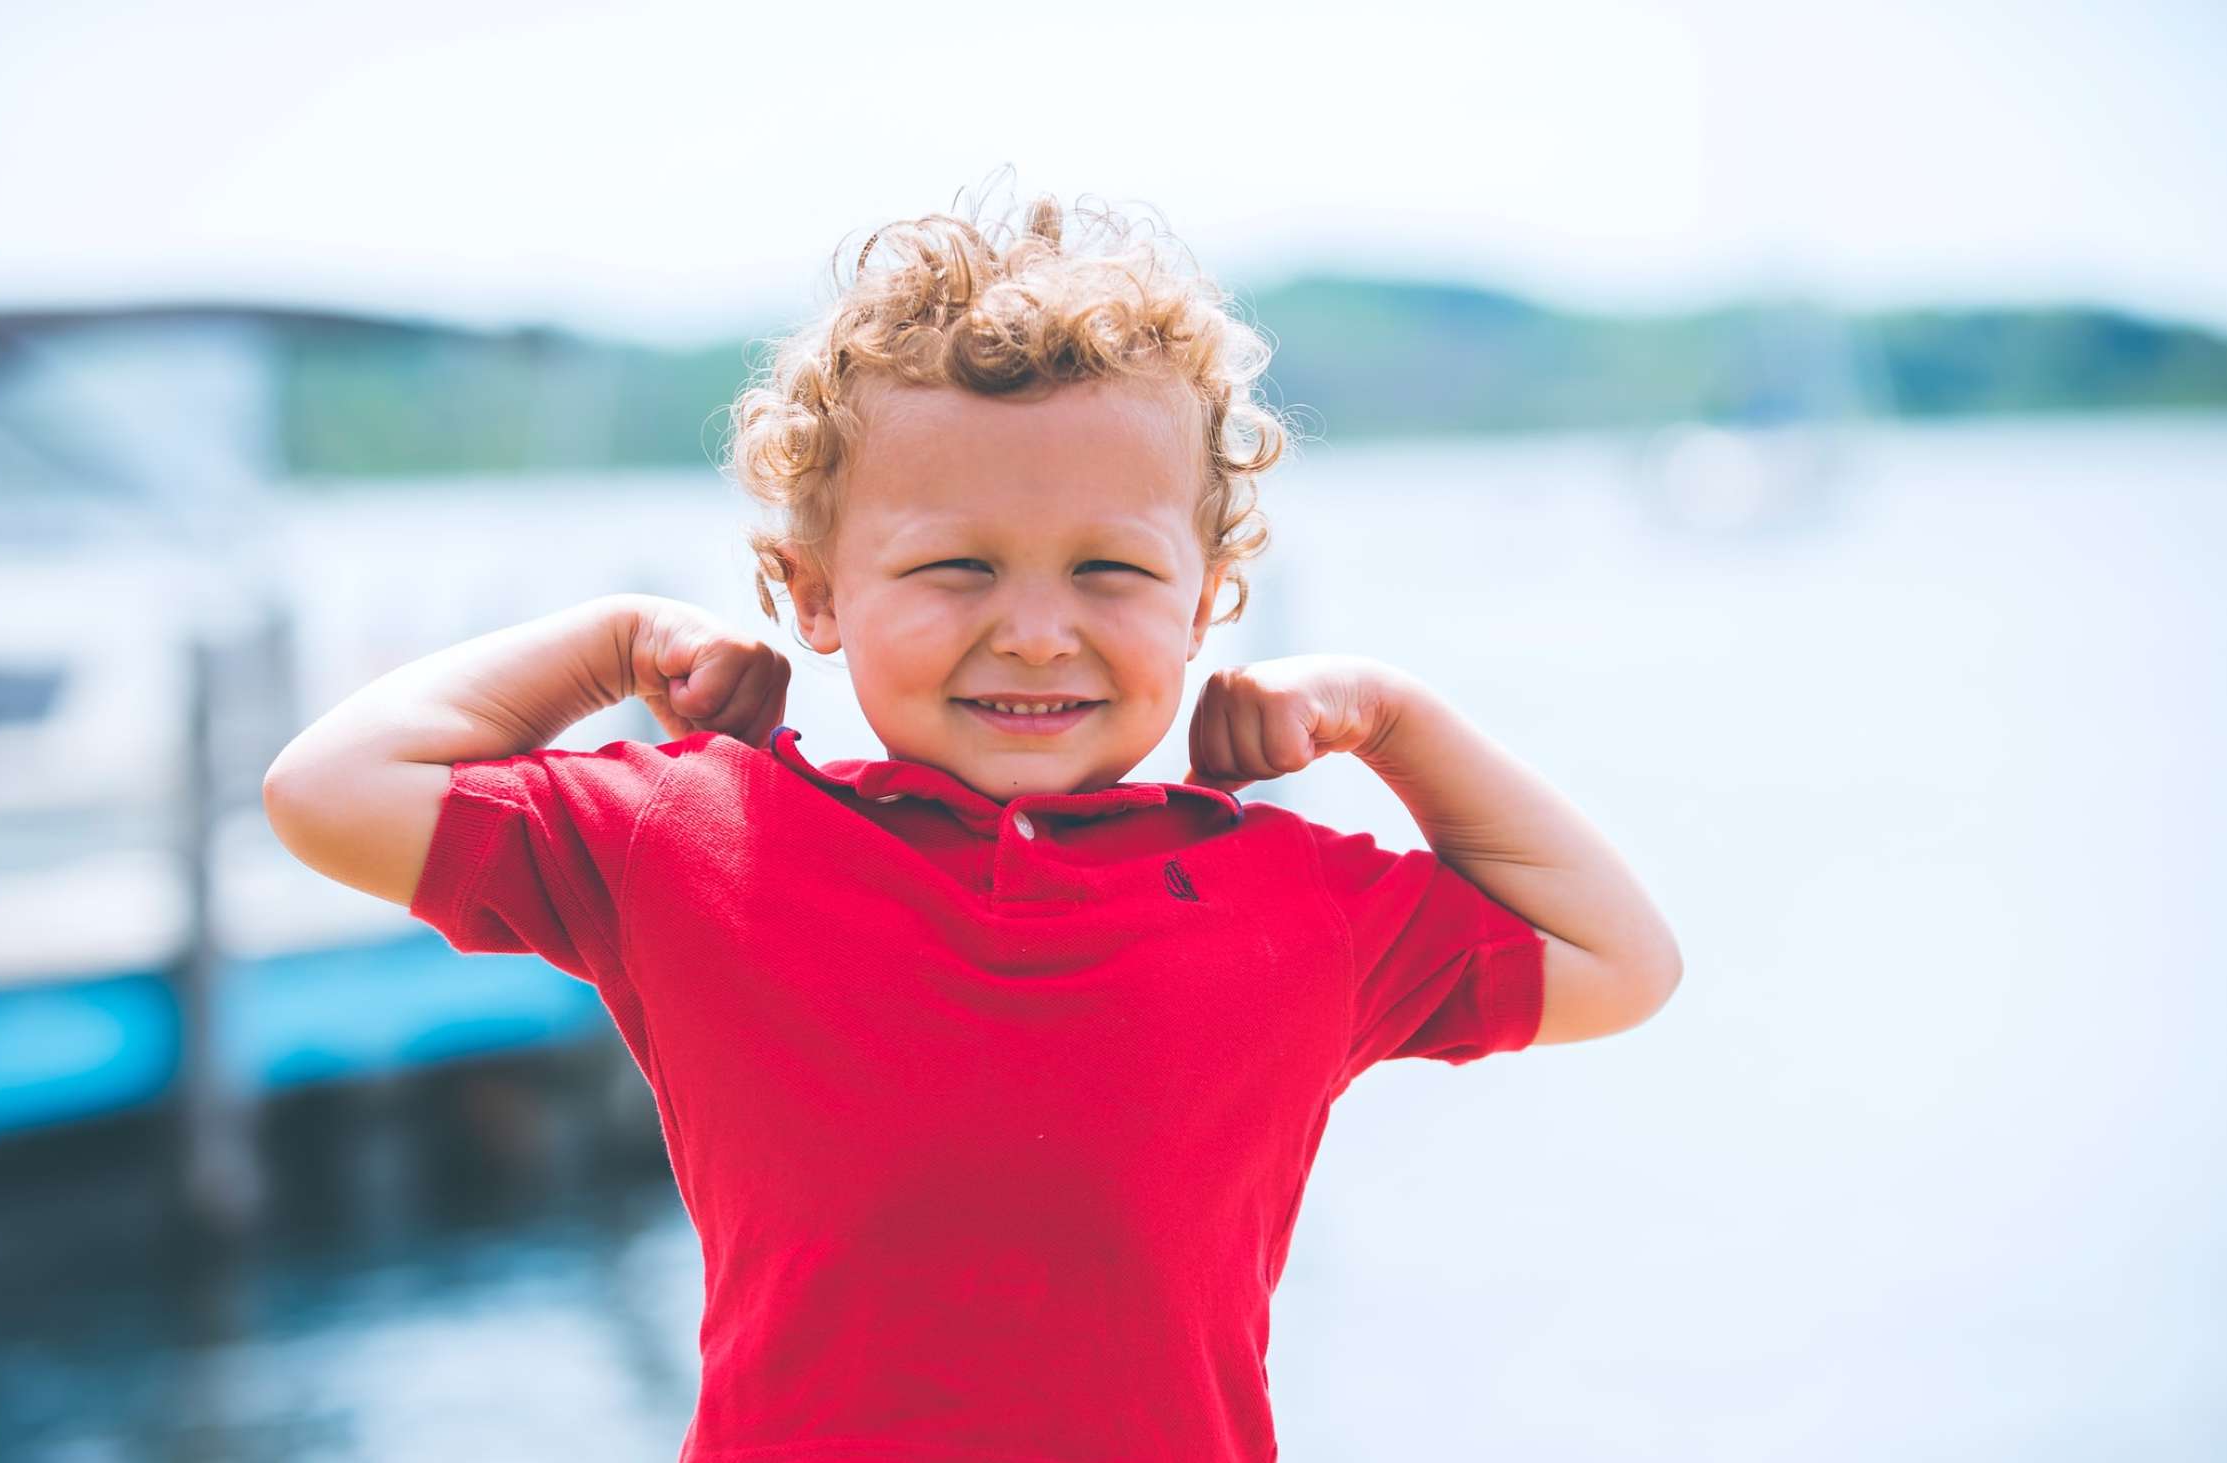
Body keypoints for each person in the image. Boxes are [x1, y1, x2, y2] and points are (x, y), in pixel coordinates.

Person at [263, 178, 1682, 1462]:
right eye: (956, 565)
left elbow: (1626, 965)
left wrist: (1393, 716)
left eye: (1110, 572)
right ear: (813, 593)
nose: (1038, 631)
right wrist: (604, 646)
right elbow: (327, 793)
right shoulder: (697, 836)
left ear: (1204, 601)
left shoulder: (1295, 900)